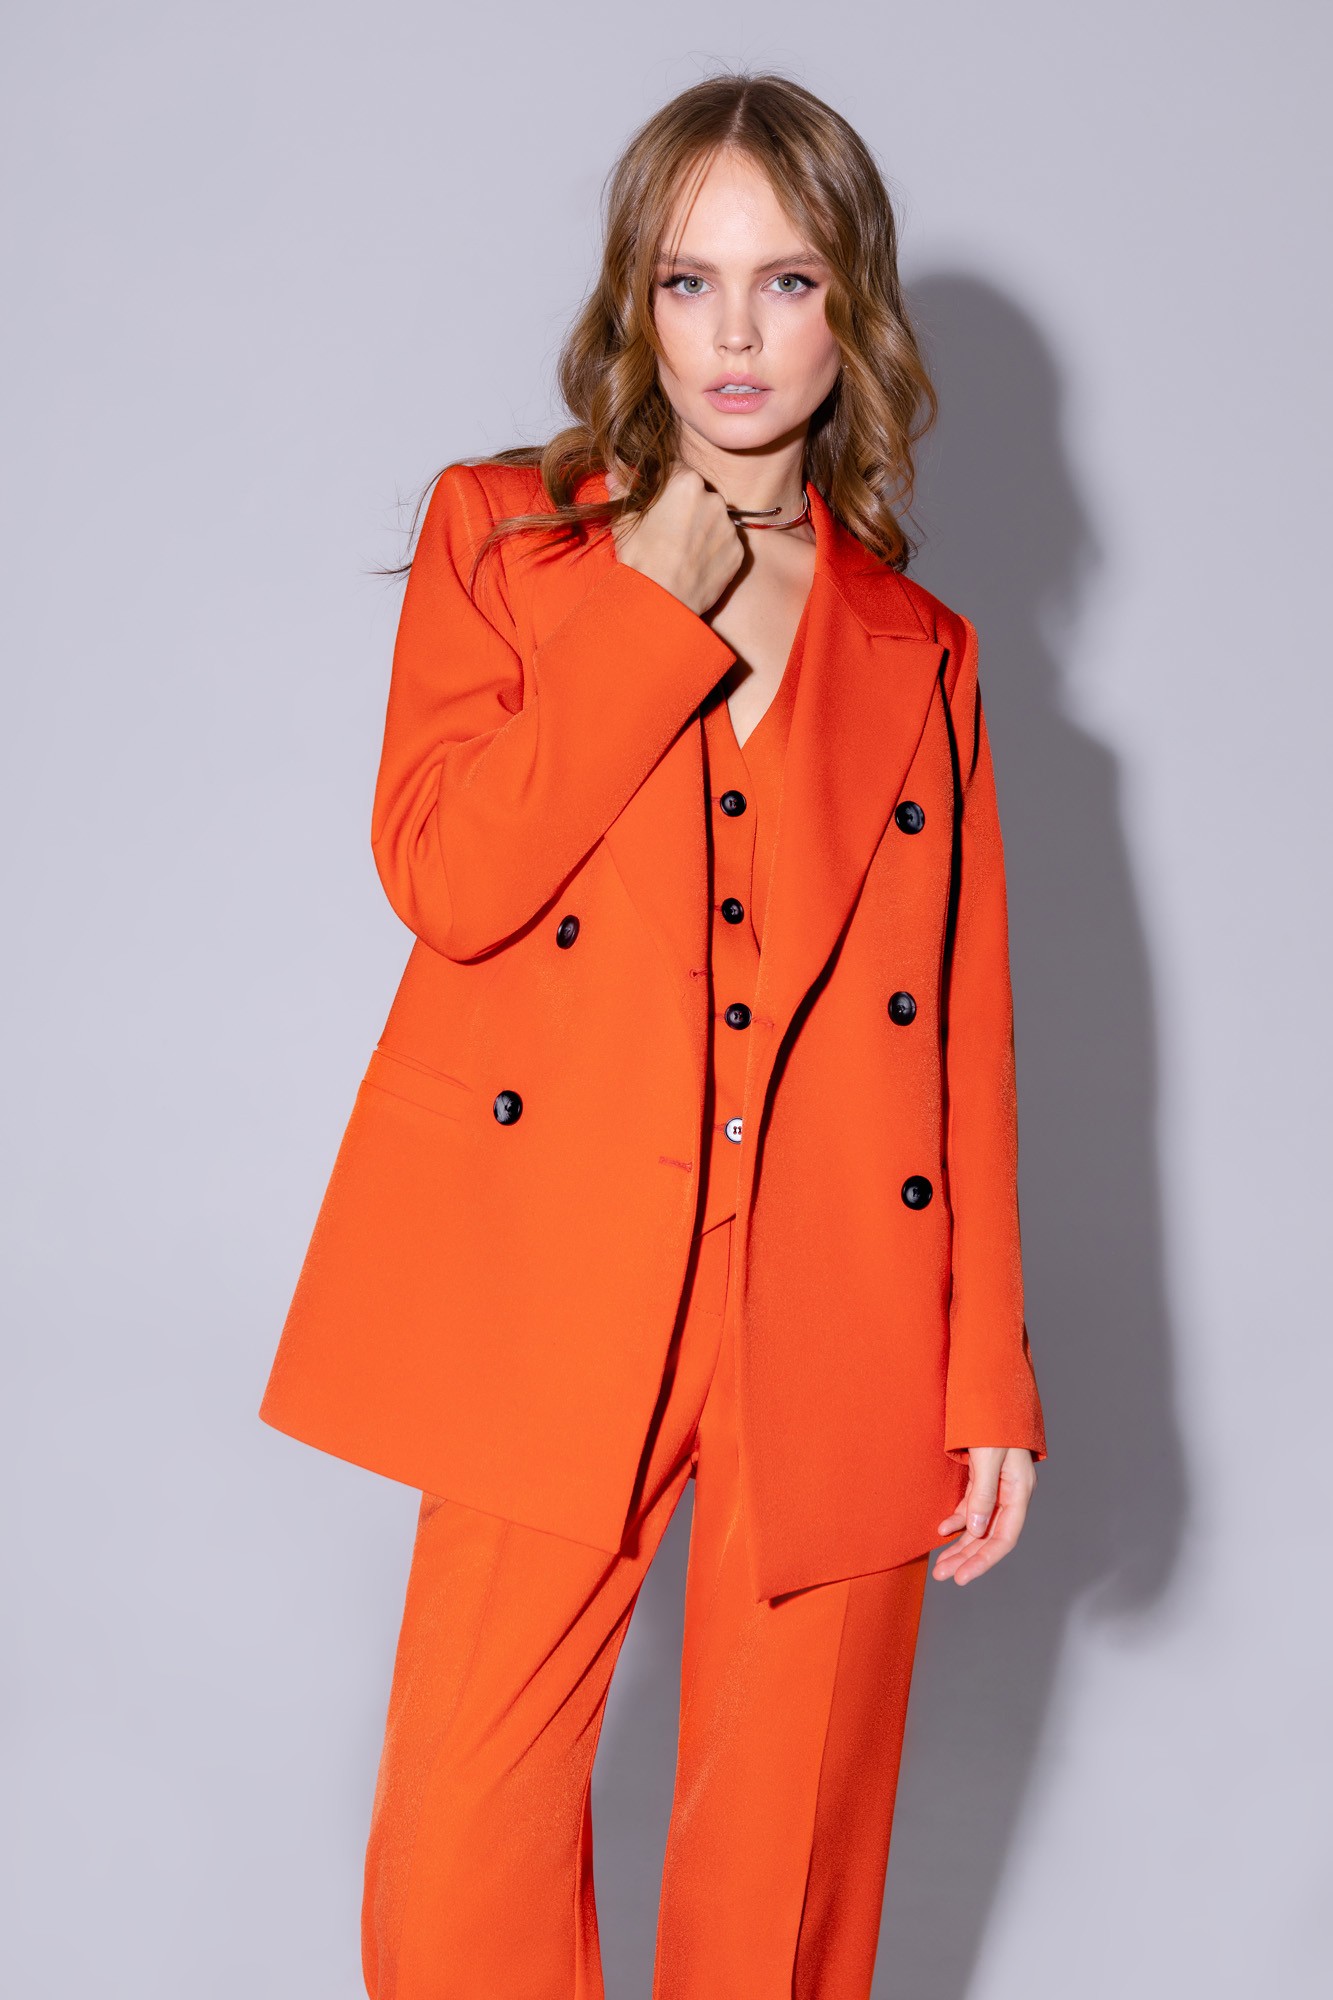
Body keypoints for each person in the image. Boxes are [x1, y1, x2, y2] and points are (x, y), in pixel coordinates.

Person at [258, 68, 1047, 2000]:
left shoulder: (917, 649)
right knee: (460, 1860)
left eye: (785, 283)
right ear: (636, 298)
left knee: (783, 1895)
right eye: (689, 283)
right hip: (559, 1274)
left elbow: (961, 1032)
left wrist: (987, 1376)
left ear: (849, 308)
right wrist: (653, 597)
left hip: (840, 1301)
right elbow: (447, 875)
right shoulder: (508, 540)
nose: (733, 337)